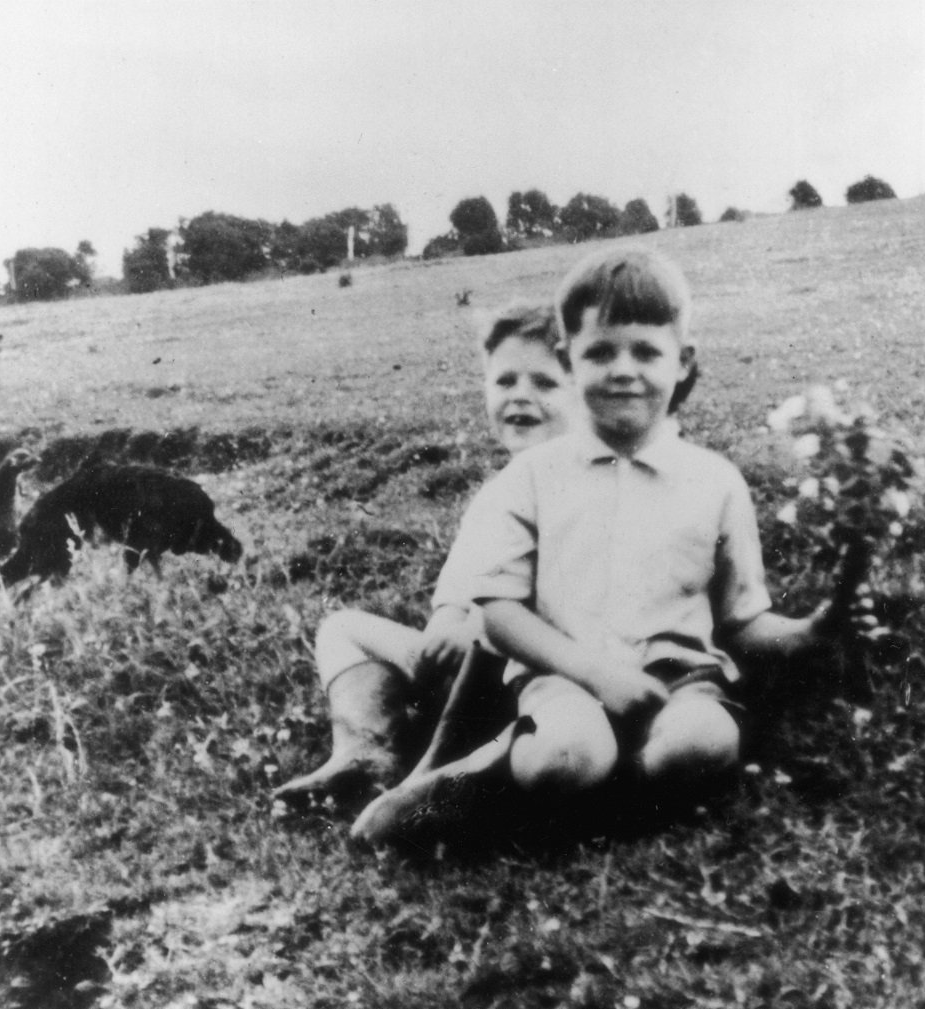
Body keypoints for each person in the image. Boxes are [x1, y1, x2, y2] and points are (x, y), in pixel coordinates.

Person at [351, 247, 837, 843]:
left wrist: (813, 630)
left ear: (682, 362)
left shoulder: (714, 482)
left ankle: (605, 793)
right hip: (563, 680)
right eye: (600, 352)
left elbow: (744, 621)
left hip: (679, 681)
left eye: (646, 352)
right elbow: (500, 617)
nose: (623, 370)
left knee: (702, 743)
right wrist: (596, 675)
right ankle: (480, 783)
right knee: (566, 756)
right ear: (567, 359)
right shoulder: (532, 477)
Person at [273, 302, 575, 800]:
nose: (521, 396)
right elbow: (459, 587)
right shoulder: (497, 494)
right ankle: (368, 750)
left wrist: (478, 629)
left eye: (544, 383)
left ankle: (456, 764)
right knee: (342, 629)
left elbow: (572, 599)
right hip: (463, 666)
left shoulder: (580, 487)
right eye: (505, 382)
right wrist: (447, 623)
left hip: (539, 676)